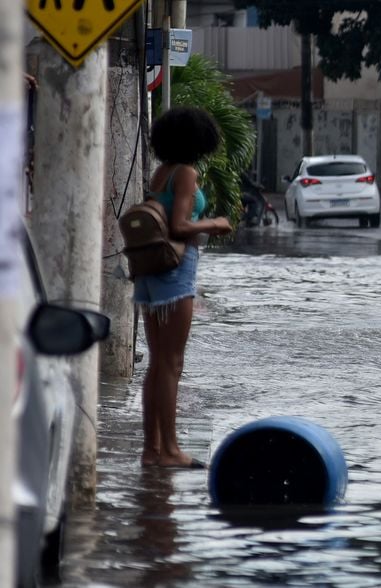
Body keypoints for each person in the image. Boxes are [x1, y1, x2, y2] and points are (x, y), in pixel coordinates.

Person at [135, 107, 233, 469]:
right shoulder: (187, 173)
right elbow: (178, 225)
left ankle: (152, 449)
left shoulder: (162, 173)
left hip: (150, 272)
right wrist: (215, 223)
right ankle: (171, 450)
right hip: (175, 273)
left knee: (157, 365)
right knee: (172, 364)